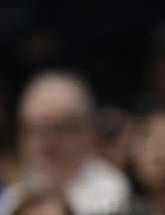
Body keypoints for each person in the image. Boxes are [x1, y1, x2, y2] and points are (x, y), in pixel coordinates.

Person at [0, 72, 131, 215]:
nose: (47, 143)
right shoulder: (12, 196)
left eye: (59, 129)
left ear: (88, 131)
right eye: (34, 129)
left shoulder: (115, 195)